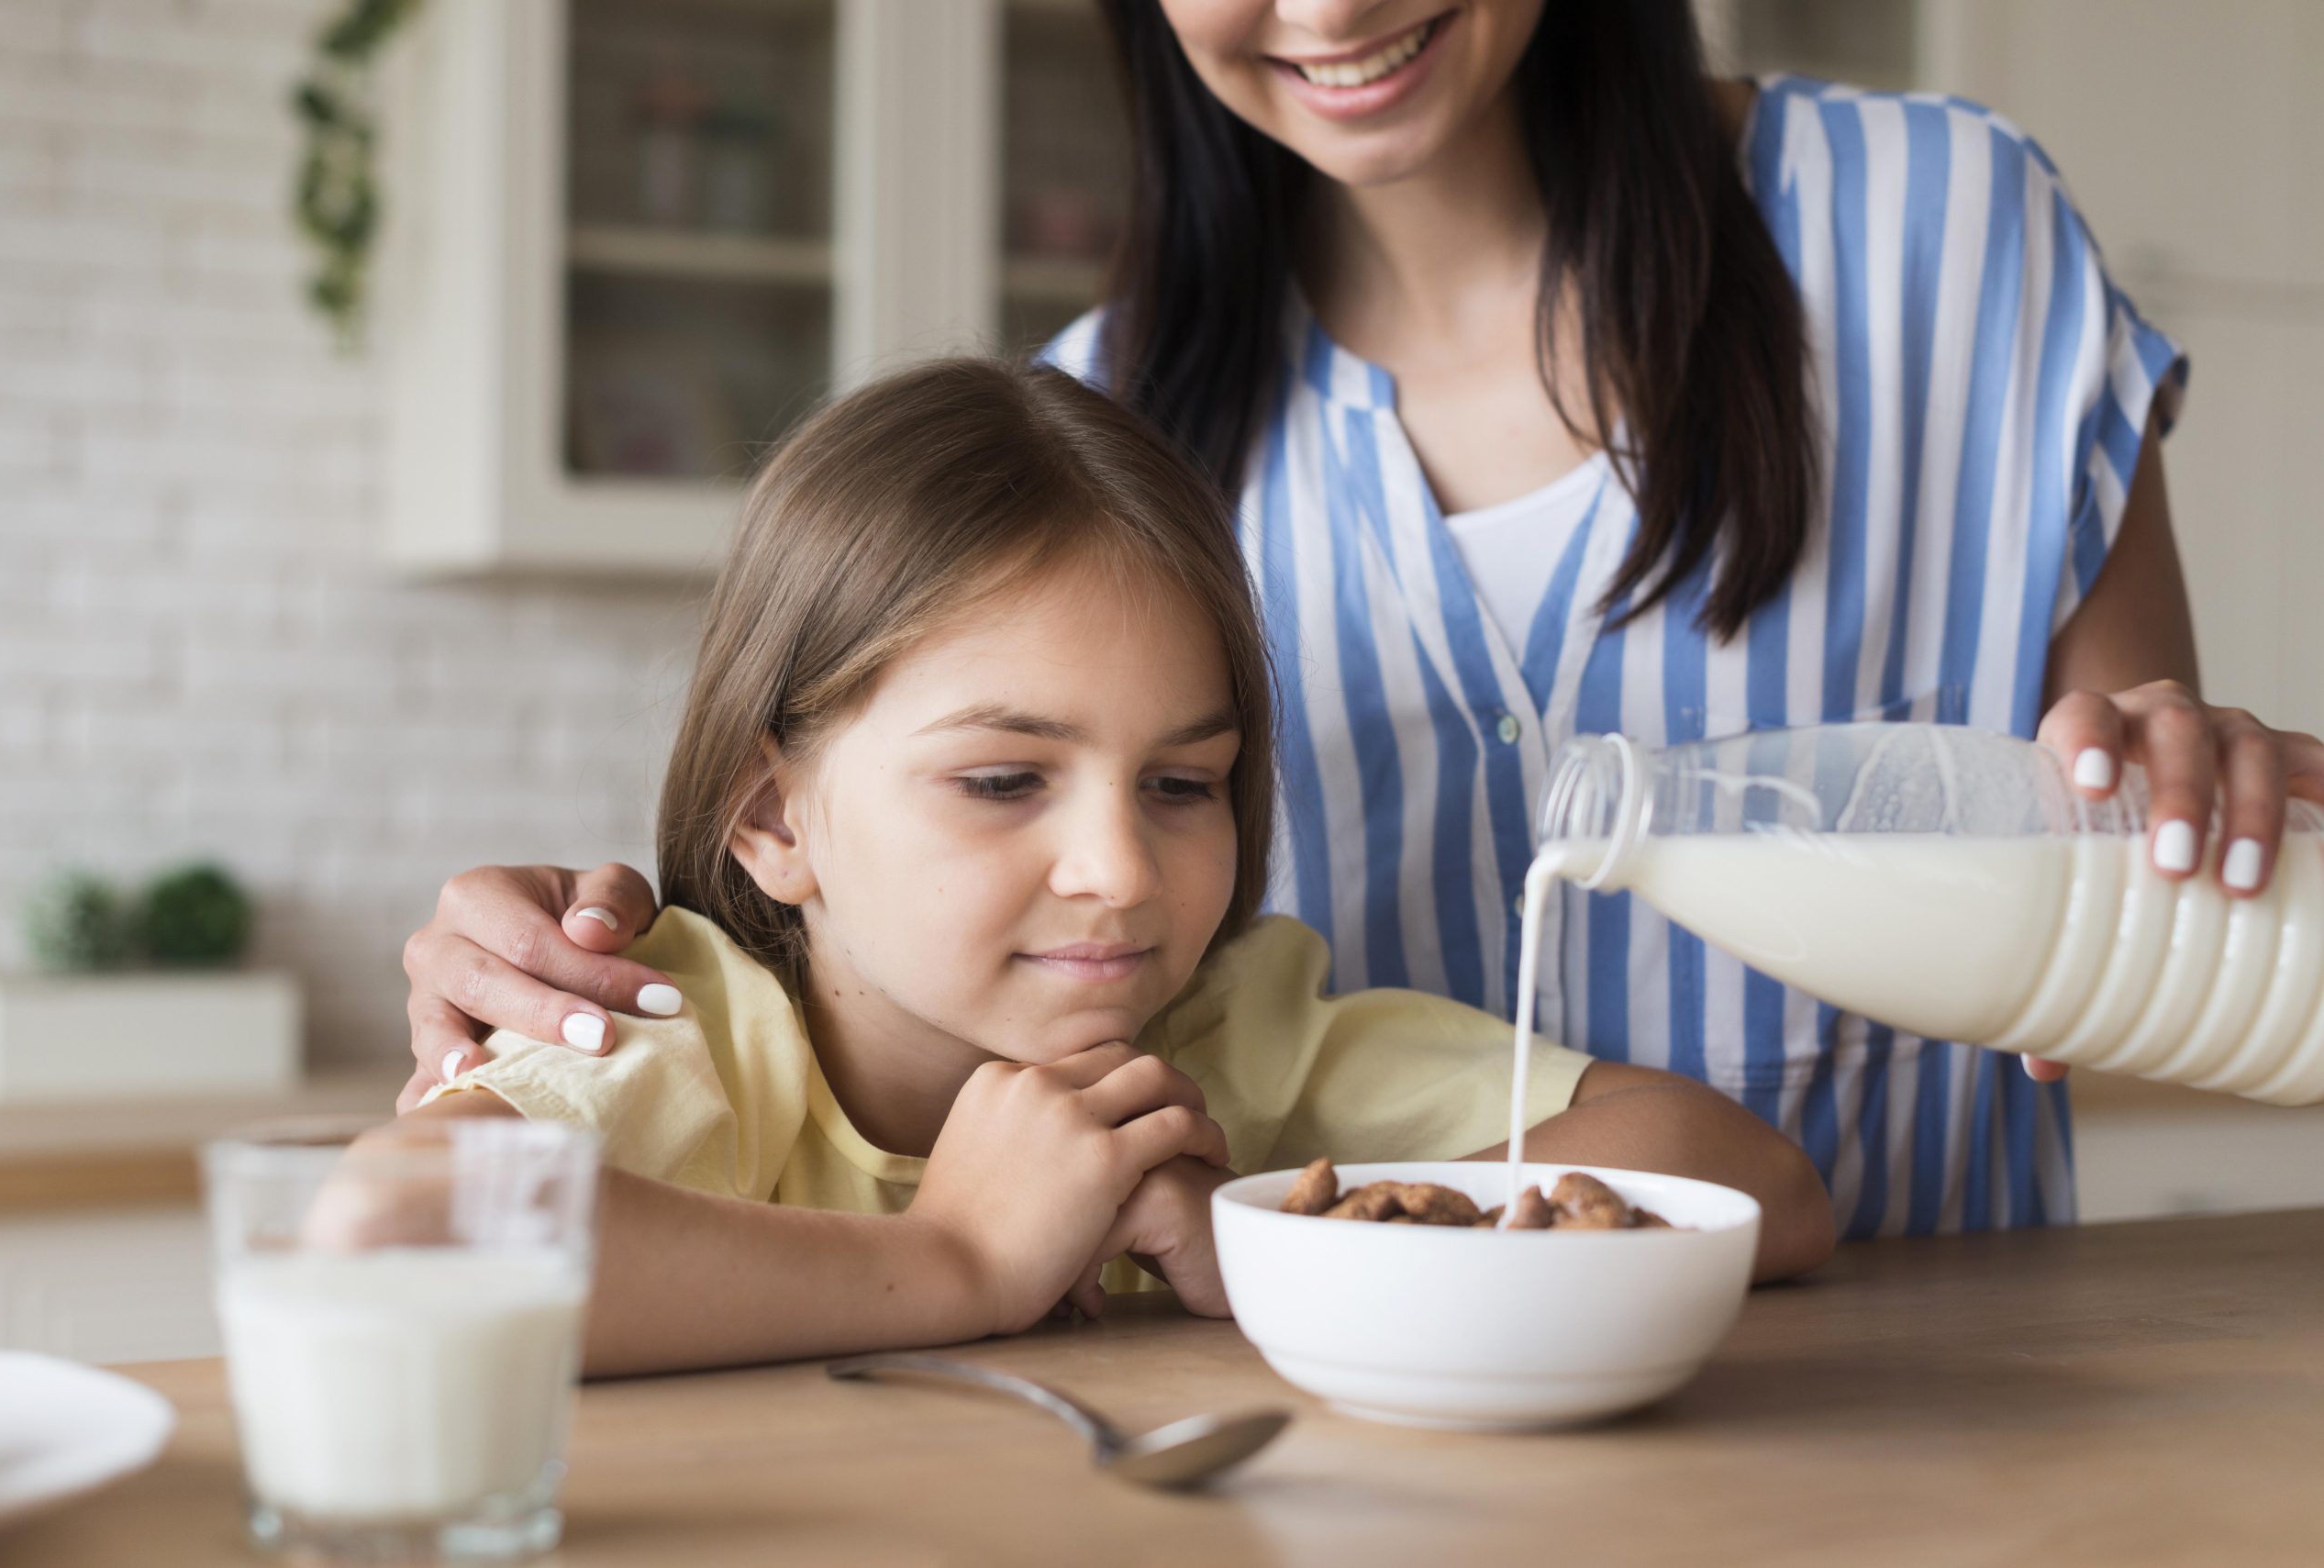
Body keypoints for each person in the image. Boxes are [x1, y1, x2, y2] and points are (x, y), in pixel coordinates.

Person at [395, 2, 2324, 1239]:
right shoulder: (1112, 426)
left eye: (1183, 785)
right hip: (1356, 1462)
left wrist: (2188, 800)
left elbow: (2125, 872)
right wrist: (546, 961)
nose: (1322, 7)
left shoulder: (1945, 238)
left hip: (1941, 1390)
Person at [368, 360, 1832, 1376]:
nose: (1119, 868)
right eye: (1003, 780)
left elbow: (1754, 1180)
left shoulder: (1235, 1036)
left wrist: (1274, 1240)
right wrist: (958, 1260)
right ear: (774, 818)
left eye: (1184, 783)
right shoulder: (693, 1034)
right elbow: (393, 1231)